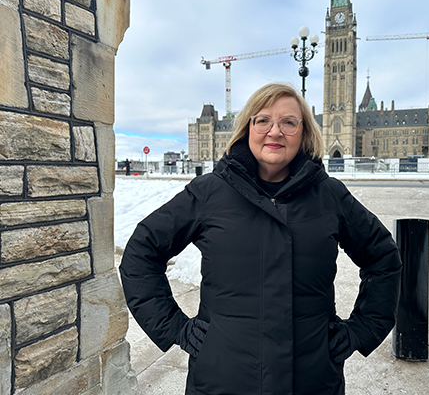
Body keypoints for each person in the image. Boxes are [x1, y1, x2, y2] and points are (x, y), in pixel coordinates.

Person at [120, 83, 402, 395]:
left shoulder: (330, 196)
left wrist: (362, 329)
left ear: (304, 133)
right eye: (263, 120)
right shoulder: (208, 193)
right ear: (247, 129)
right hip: (221, 381)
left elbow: (383, 259)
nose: (275, 131)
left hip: (313, 380)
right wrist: (176, 328)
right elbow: (141, 254)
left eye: (289, 122)